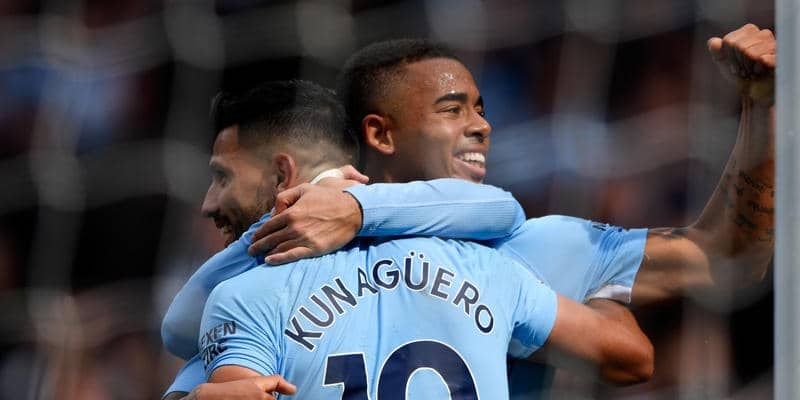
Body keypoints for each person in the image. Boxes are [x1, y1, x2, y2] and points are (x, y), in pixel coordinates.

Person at [244, 23, 775, 398]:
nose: (481, 125)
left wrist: (762, 106)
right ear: (381, 135)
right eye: (452, 110)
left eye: (480, 108)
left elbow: (727, 258)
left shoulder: (534, 244)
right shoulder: (301, 250)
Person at [161, 80, 652, 399]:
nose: (208, 202)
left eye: (222, 177)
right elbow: (632, 358)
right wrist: (594, 284)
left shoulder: (244, 299)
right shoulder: (485, 265)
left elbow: (184, 339)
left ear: (282, 175)